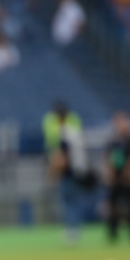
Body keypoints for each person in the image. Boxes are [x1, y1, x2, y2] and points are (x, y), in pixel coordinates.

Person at [47, 103, 91, 244]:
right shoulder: (75, 131)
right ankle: (75, 229)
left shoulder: (64, 133)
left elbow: (63, 157)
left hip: (68, 173)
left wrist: (54, 172)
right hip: (78, 171)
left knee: (68, 203)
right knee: (75, 202)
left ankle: (72, 231)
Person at [103, 111, 130, 243]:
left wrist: (129, 174)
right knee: (113, 205)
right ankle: (113, 232)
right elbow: (108, 158)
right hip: (115, 178)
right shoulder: (113, 141)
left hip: (127, 178)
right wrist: (110, 174)